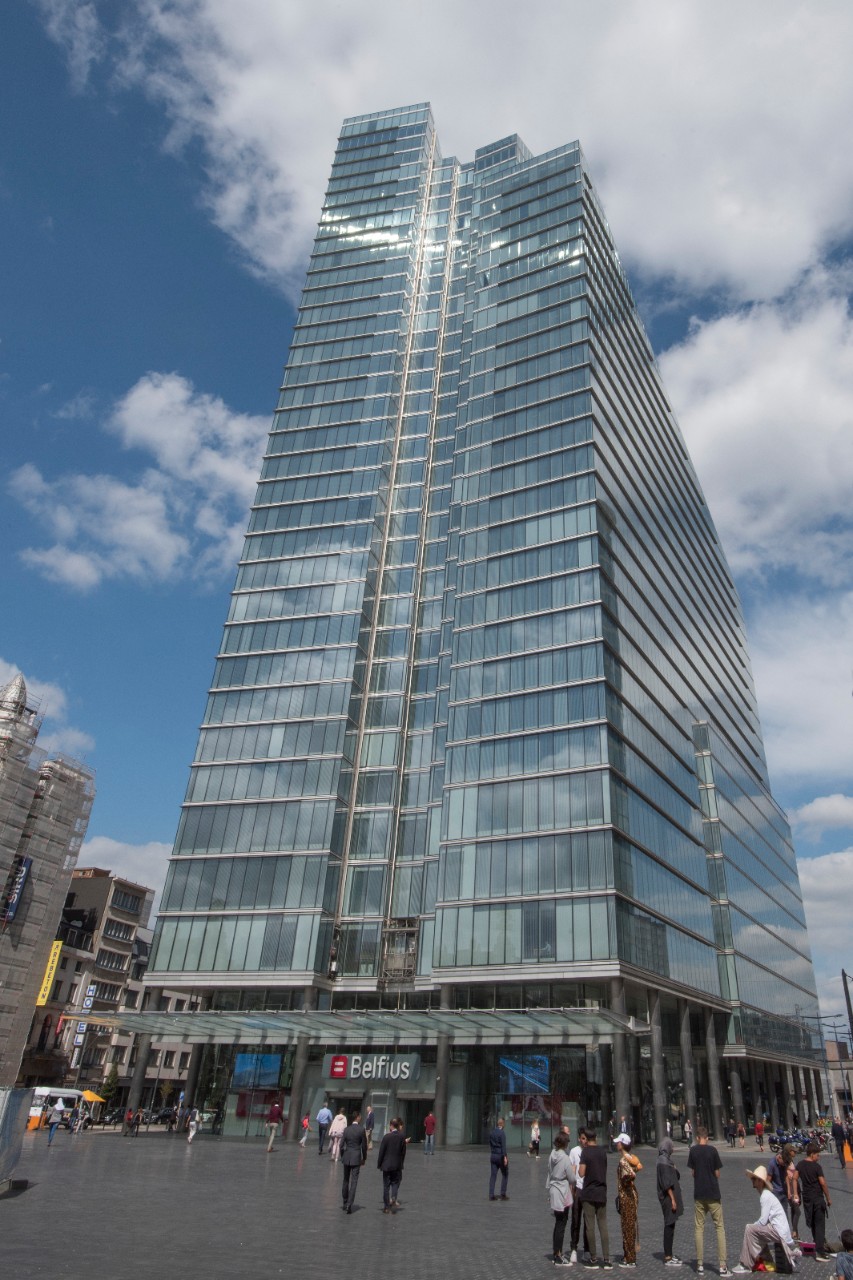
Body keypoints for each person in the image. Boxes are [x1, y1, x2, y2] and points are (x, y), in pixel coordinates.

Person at [732, 1165, 799, 1274]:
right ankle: (767, 1260)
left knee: (749, 1229)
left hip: (779, 1231)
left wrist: (753, 1226)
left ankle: (745, 1264)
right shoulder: (766, 1194)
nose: (752, 1181)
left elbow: (763, 1221)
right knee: (756, 1232)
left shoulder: (765, 1196)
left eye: (754, 1179)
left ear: (760, 1181)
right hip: (779, 1230)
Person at [688, 1125, 728, 1276]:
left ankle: (699, 1264)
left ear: (697, 1138)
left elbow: (693, 1173)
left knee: (699, 1228)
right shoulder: (713, 1151)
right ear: (707, 1138)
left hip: (699, 1193)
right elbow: (717, 1173)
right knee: (719, 1227)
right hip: (713, 1193)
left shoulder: (693, 1151)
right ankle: (722, 1265)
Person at [579, 1127, 612, 1268]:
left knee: (590, 1226)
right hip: (601, 1191)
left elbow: (581, 1173)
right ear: (596, 1138)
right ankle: (607, 1259)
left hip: (588, 1192)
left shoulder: (585, 1152)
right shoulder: (602, 1151)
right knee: (603, 1225)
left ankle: (593, 1258)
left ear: (587, 1139)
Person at [796, 1141, 834, 1261]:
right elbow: (822, 1183)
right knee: (820, 1225)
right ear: (812, 1154)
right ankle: (820, 1252)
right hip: (817, 1198)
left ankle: (818, 1246)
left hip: (807, 1198)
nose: (819, 1157)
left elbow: (794, 1178)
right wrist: (828, 1198)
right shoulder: (817, 1167)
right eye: (817, 1155)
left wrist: (796, 1193)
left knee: (813, 1223)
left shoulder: (800, 1164)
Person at [656, 1137, 684, 1267]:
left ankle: (670, 1254)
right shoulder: (663, 1162)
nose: (672, 1149)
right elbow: (666, 1184)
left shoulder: (667, 1161)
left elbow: (676, 1176)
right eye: (671, 1146)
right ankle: (668, 1256)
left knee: (671, 1225)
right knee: (669, 1224)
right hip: (667, 1199)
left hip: (670, 1197)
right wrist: (673, 1200)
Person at [547, 1131, 574, 1266]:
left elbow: (549, 1170)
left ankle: (555, 1251)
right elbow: (572, 1178)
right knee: (561, 1224)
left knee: (558, 1222)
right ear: (565, 1144)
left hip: (553, 1188)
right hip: (562, 1190)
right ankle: (558, 1255)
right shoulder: (565, 1158)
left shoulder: (552, 1154)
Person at [614, 1133, 641, 1268]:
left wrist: (625, 1182)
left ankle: (630, 1258)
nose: (616, 1144)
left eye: (618, 1142)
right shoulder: (630, 1158)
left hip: (627, 1197)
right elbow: (636, 1168)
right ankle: (627, 1255)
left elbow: (631, 1174)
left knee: (627, 1227)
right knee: (629, 1226)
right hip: (631, 1196)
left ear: (622, 1144)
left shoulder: (623, 1160)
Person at [569, 1128, 591, 1264]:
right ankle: (573, 1248)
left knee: (588, 1221)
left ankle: (587, 1249)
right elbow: (572, 1170)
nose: (584, 1141)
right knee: (575, 1220)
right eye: (582, 1138)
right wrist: (571, 1189)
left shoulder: (591, 1151)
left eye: (586, 1139)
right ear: (579, 1139)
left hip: (588, 1189)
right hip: (578, 1188)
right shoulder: (574, 1151)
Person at [376, 1117, 407, 1213]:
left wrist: (379, 1164)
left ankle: (386, 1207)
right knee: (395, 1183)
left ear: (391, 1126)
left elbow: (381, 1152)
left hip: (386, 1164)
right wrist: (401, 1163)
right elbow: (403, 1152)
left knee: (386, 1186)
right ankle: (393, 1196)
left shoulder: (386, 1137)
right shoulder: (402, 1137)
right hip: (397, 1164)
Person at [340, 1112, 367, 1214]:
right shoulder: (361, 1130)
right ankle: (349, 1204)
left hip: (347, 1156)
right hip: (356, 1157)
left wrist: (342, 1155)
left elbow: (341, 1145)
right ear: (358, 1117)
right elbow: (364, 1146)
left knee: (345, 1180)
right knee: (354, 1181)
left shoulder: (346, 1129)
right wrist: (364, 1158)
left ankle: (345, 1201)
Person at [488, 1116, 510, 1200]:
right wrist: (505, 1157)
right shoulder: (502, 1133)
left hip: (493, 1155)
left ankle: (491, 1195)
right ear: (503, 1124)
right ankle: (503, 1193)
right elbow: (503, 1147)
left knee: (493, 1175)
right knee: (505, 1174)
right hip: (500, 1156)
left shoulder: (492, 1132)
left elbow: (490, 1144)